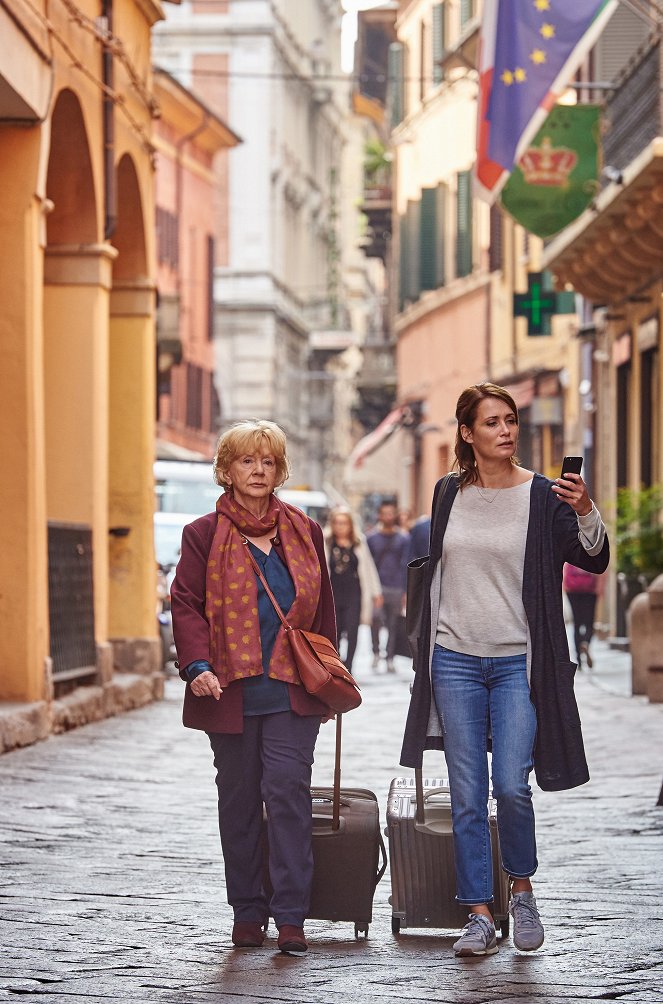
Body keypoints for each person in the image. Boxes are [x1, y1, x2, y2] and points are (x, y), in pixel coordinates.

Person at [400, 383, 609, 958]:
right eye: (491, 422)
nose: (506, 430)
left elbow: (592, 556)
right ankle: (478, 913)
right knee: (467, 794)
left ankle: (522, 889)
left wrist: (585, 508)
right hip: (455, 659)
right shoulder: (448, 493)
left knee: (512, 785)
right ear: (467, 434)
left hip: (520, 661)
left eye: (510, 420)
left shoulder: (542, 496)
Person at [170, 419, 336, 955]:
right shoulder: (202, 534)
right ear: (227, 469)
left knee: (287, 795)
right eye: (246, 460)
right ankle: (247, 910)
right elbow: (186, 603)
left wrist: (329, 678)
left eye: (267, 461)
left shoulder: (305, 531)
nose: (258, 470)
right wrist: (196, 666)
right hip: (229, 692)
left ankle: (290, 915)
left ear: (280, 469)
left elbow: (325, 610)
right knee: (239, 800)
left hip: (292, 691)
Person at [324, 506, 382, 672]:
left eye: (344, 523)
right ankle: (336, 663)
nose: (340, 526)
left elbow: (369, 568)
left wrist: (376, 592)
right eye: (337, 522)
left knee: (352, 630)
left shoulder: (359, 542)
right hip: (333, 593)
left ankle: (349, 667)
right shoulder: (326, 542)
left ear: (350, 524)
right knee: (335, 631)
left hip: (354, 594)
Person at [366, 500, 409, 673]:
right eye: (385, 513)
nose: (388, 516)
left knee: (393, 624)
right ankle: (376, 652)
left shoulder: (404, 538)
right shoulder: (371, 538)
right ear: (379, 515)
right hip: (377, 586)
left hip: (396, 587)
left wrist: (406, 591)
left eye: (391, 513)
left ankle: (390, 657)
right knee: (374, 620)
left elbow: (406, 564)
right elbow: (368, 565)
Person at [563, 563, 604, 668]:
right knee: (589, 622)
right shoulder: (591, 547)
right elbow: (602, 569)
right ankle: (585, 642)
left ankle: (578, 660)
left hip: (573, 589)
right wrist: (600, 587)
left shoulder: (572, 547)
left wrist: (565, 586)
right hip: (590, 590)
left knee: (577, 623)